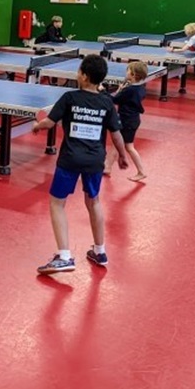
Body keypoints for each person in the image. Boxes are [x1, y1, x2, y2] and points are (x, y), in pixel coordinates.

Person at [31, 54, 129, 274]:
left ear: (84, 76)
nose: (77, 75)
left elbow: (49, 123)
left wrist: (37, 126)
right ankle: (100, 251)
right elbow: (116, 134)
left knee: (57, 203)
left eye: (78, 71)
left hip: (70, 159)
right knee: (93, 202)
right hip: (95, 161)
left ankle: (64, 256)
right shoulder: (107, 102)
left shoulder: (69, 98)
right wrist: (122, 156)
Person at [104, 61, 148, 182]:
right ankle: (107, 167)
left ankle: (141, 171)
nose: (126, 72)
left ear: (133, 74)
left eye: (128, 70)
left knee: (129, 147)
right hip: (132, 119)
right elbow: (123, 99)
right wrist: (121, 90)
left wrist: (103, 91)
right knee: (116, 143)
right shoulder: (141, 88)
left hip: (127, 121)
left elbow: (114, 100)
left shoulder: (130, 90)